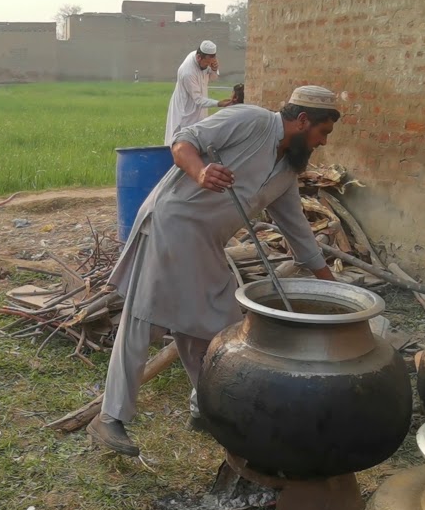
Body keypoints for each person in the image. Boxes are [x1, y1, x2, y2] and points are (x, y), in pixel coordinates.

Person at [90, 86, 343, 457]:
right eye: (322, 133)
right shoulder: (251, 120)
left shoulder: (287, 170)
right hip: (171, 225)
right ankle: (109, 418)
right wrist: (200, 171)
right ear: (303, 120)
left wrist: (337, 295)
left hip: (206, 245)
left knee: (217, 327)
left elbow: (299, 233)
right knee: (143, 318)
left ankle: (205, 407)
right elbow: (183, 141)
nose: (321, 143)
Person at [164, 40, 234, 146]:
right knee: (182, 142)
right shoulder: (187, 72)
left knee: (198, 141)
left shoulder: (205, 62)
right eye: (207, 63)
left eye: (211, 63)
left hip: (200, 109)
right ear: (198, 57)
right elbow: (197, 99)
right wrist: (218, 103)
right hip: (186, 111)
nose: (207, 67)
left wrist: (214, 69)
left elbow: (212, 78)